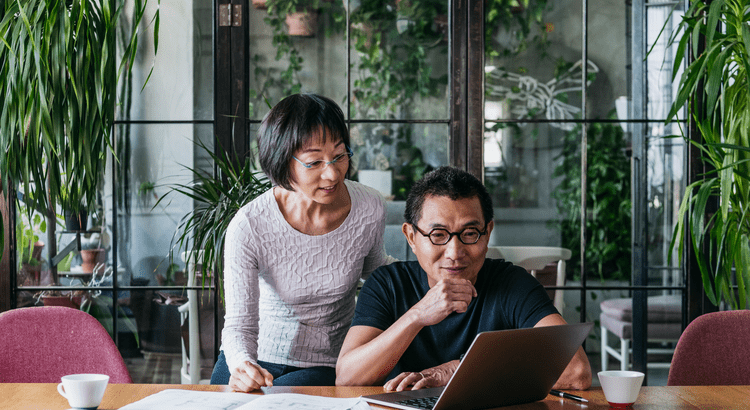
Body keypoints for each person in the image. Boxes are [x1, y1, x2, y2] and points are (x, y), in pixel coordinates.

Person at [335, 166, 592, 391]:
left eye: (470, 233)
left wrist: (456, 369)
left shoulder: (512, 283)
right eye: (438, 234)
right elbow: (347, 378)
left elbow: (576, 372)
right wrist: (417, 315)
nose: (455, 253)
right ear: (411, 237)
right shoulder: (388, 284)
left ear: (487, 232)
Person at [213, 93, 395, 391]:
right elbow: (239, 325)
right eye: (314, 162)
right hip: (256, 359)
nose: (332, 172)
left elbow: (378, 273)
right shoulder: (249, 226)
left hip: (325, 363)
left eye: (340, 155)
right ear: (283, 162)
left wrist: (432, 272)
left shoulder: (369, 206)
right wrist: (242, 364)